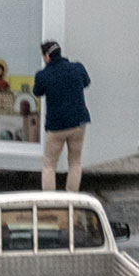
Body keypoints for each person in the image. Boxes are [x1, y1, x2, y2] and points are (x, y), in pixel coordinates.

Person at [33, 40, 90, 192]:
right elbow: (86, 82)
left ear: (46, 57)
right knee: (75, 163)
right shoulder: (77, 68)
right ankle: (71, 198)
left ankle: (50, 201)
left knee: (49, 164)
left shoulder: (43, 75)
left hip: (56, 126)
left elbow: (37, 92)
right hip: (78, 123)